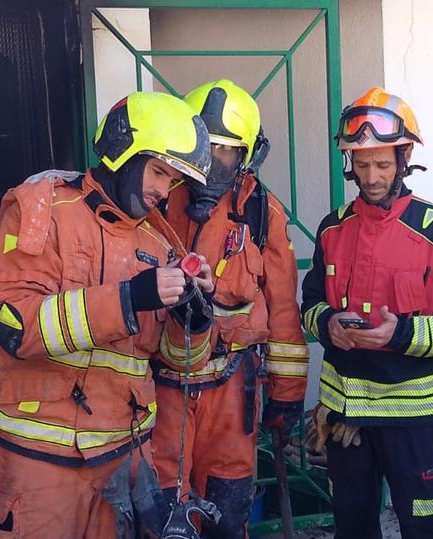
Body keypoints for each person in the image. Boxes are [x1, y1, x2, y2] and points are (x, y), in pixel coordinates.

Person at [0, 91, 219, 538]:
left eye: (173, 182)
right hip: (40, 463)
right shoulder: (44, 210)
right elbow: (14, 325)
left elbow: (179, 362)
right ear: (122, 152)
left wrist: (195, 322)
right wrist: (127, 300)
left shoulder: (160, 244)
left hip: (124, 464)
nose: (163, 193)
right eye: (159, 172)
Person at [300, 87, 433, 538]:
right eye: (362, 164)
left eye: (382, 164)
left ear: (404, 159)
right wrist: (327, 324)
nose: (371, 176)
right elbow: (309, 303)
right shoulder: (333, 228)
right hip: (346, 416)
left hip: (417, 424)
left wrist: (400, 335)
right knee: (352, 525)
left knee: (422, 529)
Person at [152, 79, 309, 538]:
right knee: (162, 513)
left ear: (247, 156)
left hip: (233, 387)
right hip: (162, 388)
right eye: (205, 146)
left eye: (226, 150)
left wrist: (287, 393)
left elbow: (283, 310)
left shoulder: (262, 213)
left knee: (229, 507)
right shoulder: (154, 198)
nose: (214, 161)